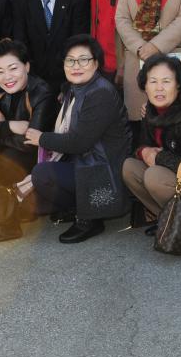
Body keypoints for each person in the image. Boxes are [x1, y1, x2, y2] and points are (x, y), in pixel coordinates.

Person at [26, 35, 132, 243]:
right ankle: (78, 207)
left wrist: (41, 138)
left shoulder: (100, 93)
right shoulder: (76, 88)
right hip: (87, 159)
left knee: (42, 173)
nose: (76, 66)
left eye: (84, 59)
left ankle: (90, 218)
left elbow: (78, 143)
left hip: (105, 168)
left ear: (96, 63)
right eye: (70, 60)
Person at [122, 54, 181, 230]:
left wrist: (158, 157)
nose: (159, 88)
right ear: (145, 86)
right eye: (153, 81)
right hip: (171, 177)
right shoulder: (151, 110)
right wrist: (144, 152)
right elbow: (142, 145)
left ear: (178, 84)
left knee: (153, 175)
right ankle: (168, 219)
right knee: (129, 167)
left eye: (166, 81)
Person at [0, 38, 59, 189]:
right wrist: (8, 125)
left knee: (11, 157)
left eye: (13, 68)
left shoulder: (42, 93)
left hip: (36, 154)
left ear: (27, 67)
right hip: (11, 142)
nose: (7, 77)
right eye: (0, 72)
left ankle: (12, 195)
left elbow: (30, 144)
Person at [11, 0, 91, 90]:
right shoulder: (18, 1)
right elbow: (20, 43)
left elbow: (79, 43)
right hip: (32, 82)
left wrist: (69, 84)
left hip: (70, 79)